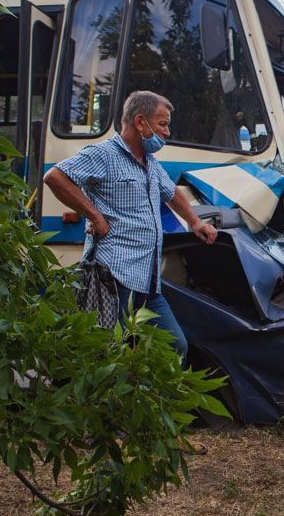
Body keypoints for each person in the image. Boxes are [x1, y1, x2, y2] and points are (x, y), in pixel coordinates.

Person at [44, 90, 218, 359]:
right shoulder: (104, 154)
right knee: (112, 353)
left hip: (147, 281)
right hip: (114, 278)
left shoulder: (149, 163)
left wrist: (195, 222)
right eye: (162, 124)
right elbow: (55, 177)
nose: (167, 132)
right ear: (140, 122)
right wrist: (95, 216)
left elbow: (171, 192)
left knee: (175, 346)